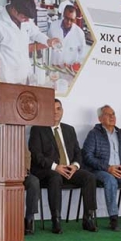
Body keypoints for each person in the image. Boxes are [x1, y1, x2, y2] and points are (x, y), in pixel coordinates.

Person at [29, 99, 98, 234]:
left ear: (62, 111)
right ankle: (56, 219)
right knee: (55, 177)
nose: (55, 112)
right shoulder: (38, 129)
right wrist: (56, 167)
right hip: (47, 171)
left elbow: (78, 152)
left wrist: (75, 166)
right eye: (52, 109)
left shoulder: (69, 129)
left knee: (89, 177)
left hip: (68, 169)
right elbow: (36, 155)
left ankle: (88, 218)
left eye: (58, 109)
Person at [0, 0, 60, 84]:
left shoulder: (25, 19)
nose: (27, 20)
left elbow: (35, 33)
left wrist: (48, 41)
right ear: (14, 10)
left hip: (25, 73)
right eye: (25, 17)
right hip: (7, 79)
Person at [24, 147, 39, 235]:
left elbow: (27, 153)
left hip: (19, 173)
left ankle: (29, 219)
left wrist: (25, 169)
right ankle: (0, 221)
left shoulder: (18, 134)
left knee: (34, 182)